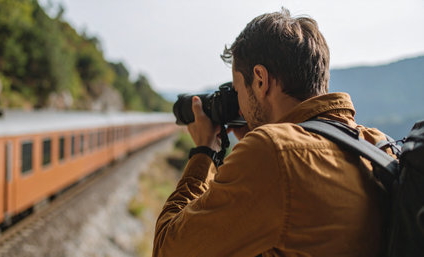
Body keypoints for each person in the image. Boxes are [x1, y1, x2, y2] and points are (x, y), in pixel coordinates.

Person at [153, 8, 390, 257]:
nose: (240, 107)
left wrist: (204, 152)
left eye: (238, 90)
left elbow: (169, 249)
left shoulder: (272, 152)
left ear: (260, 79)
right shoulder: (377, 144)